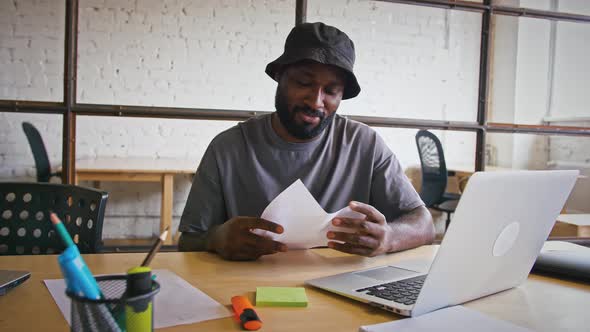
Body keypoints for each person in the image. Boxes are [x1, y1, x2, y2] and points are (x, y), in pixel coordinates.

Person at [178, 22, 434, 260]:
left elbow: (423, 223)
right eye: (303, 83)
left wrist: (389, 237)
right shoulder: (229, 148)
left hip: (340, 290)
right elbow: (188, 242)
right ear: (280, 76)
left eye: (331, 91)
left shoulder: (365, 144)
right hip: (248, 291)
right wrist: (216, 238)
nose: (315, 101)